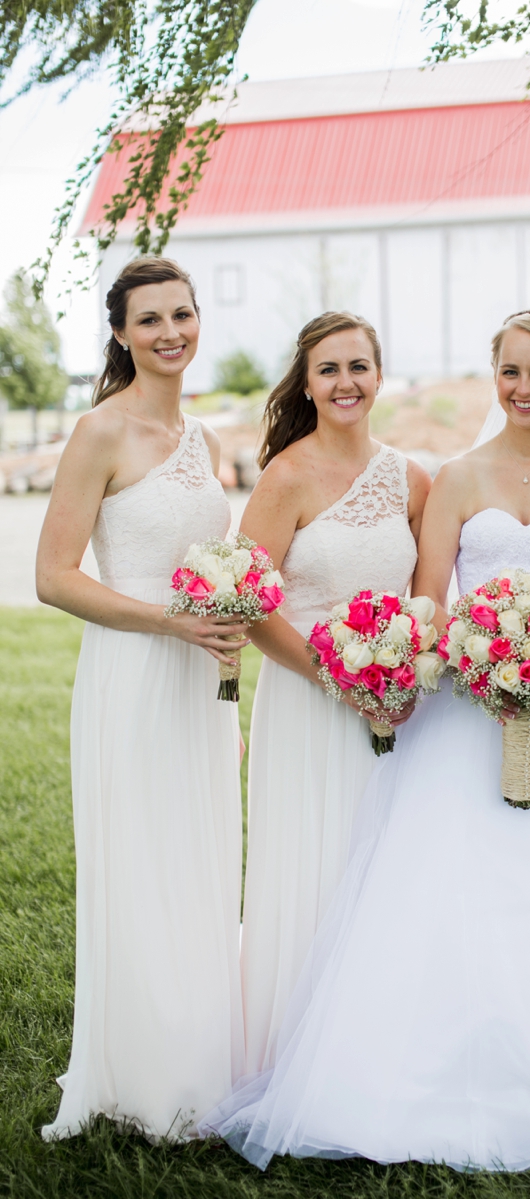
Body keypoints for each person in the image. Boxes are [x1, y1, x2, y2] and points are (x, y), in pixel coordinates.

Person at [203, 308, 530, 1170]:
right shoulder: (454, 480)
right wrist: (472, 656)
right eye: (509, 371)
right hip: (461, 706)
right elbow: (429, 601)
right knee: (437, 880)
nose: (522, 387)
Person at [35, 256, 246, 1139]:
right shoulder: (100, 431)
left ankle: (203, 1051)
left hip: (203, 679)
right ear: (120, 333)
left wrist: (226, 671)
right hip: (134, 672)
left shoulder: (204, 439)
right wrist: (167, 624)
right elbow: (51, 577)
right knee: (142, 861)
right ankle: (144, 1071)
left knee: (199, 860)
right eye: (150, 319)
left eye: (183, 314)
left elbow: (220, 574)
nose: (171, 332)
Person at [235, 311, 430, 1074]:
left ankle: (374, 1046)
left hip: (394, 708)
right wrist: (337, 678)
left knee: (379, 864)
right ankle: (292, 1053)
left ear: (379, 376)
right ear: (307, 383)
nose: (345, 382)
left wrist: (398, 675)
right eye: (329, 369)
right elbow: (250, 604)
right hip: (306, 698)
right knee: (309, 864)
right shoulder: (285, 476)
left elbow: (424, 596)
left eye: (359, 366)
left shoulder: (412, 479)